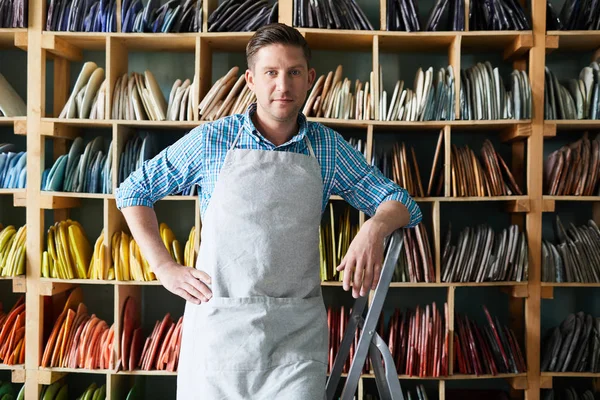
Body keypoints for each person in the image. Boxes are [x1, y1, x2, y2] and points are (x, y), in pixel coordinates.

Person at [115, 22, 421, 400]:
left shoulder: (327, 147)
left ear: (309, 78)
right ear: (250, 80)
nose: (283, 85)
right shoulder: (212, 139)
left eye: (294, 72)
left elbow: (401, 203)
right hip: (219, 334)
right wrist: (164, 267)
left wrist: (374, 228)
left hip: (295, 336)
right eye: (271, 73)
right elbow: (134, 191)